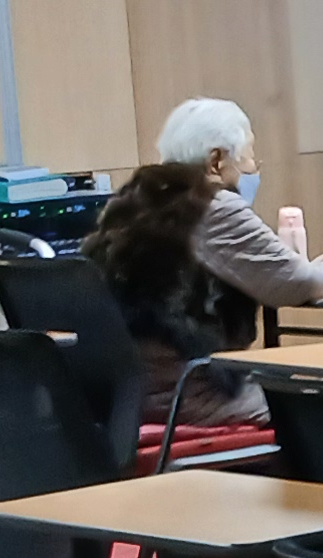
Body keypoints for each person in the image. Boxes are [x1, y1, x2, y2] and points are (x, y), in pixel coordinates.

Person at [149, 95, 323, 322]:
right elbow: (296, 282)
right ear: (216, 162)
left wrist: (310, 270)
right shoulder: (214, 207)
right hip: (187, 343)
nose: (254, 168)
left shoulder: (154, 199)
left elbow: (277, 276)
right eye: (249, 156)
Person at [85, 160, 267, 429]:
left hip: (119, 410)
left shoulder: (104, 252)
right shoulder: (207, 237)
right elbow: (242, 332)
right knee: (302, 410)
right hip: (187, 401)